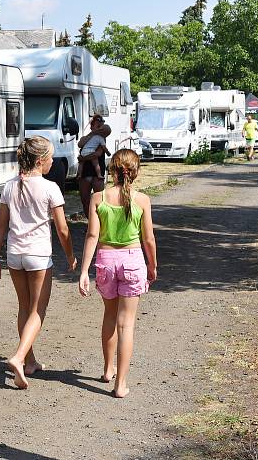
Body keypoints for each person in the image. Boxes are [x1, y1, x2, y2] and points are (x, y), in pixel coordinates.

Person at [0, 136, 78, 389]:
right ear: (40, 161)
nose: (52, 161)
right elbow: (62, 230)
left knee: (24, 307)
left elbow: (0, 227)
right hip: (38, 257)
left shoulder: (9, 186)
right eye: (50, 157)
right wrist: (70, 256)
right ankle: (18, 357)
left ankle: (30, 362)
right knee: (38, 311)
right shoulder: (50, 188)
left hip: (15, 256)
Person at [77, 149, 157, 398]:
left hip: (106, 261)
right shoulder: (142, 200)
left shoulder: (98, 198)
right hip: (133, 261)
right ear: (135, 172)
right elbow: (149, 239)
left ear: (111, 170)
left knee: (109, 316)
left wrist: (83, 271)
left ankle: (107, 368)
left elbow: (92, 236)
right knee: (127, 324)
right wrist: (152, 266)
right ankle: (121, 384)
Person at [78, 115, 112, 218]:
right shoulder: (86, 138)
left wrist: (83, 159)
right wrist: (93, 133)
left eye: (100, 127)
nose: (99, 129)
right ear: (92, 126)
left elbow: (97, 154)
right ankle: (90, 223)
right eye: (97, 126)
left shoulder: (101, 139)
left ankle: (101, 224)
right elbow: (80, 144)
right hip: (84, 172)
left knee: (100, 199)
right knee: (85, 200)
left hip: (97, 173)